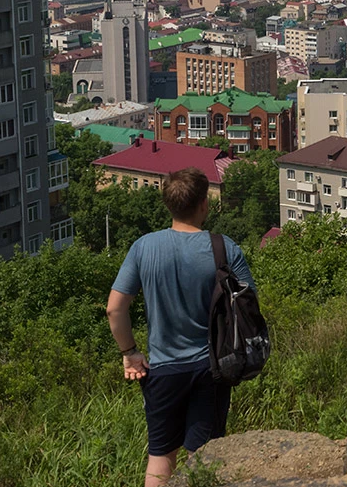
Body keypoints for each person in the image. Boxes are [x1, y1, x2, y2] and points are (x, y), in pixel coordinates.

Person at [106, 167, 256, 487]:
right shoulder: (224, 248)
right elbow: (249, 303)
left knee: (160, 456)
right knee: (203, 456)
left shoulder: (143, 247)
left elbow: (114, 308)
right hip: (211, 367)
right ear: (204, 204)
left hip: (162, 370)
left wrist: (130, 353)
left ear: (167, 205)